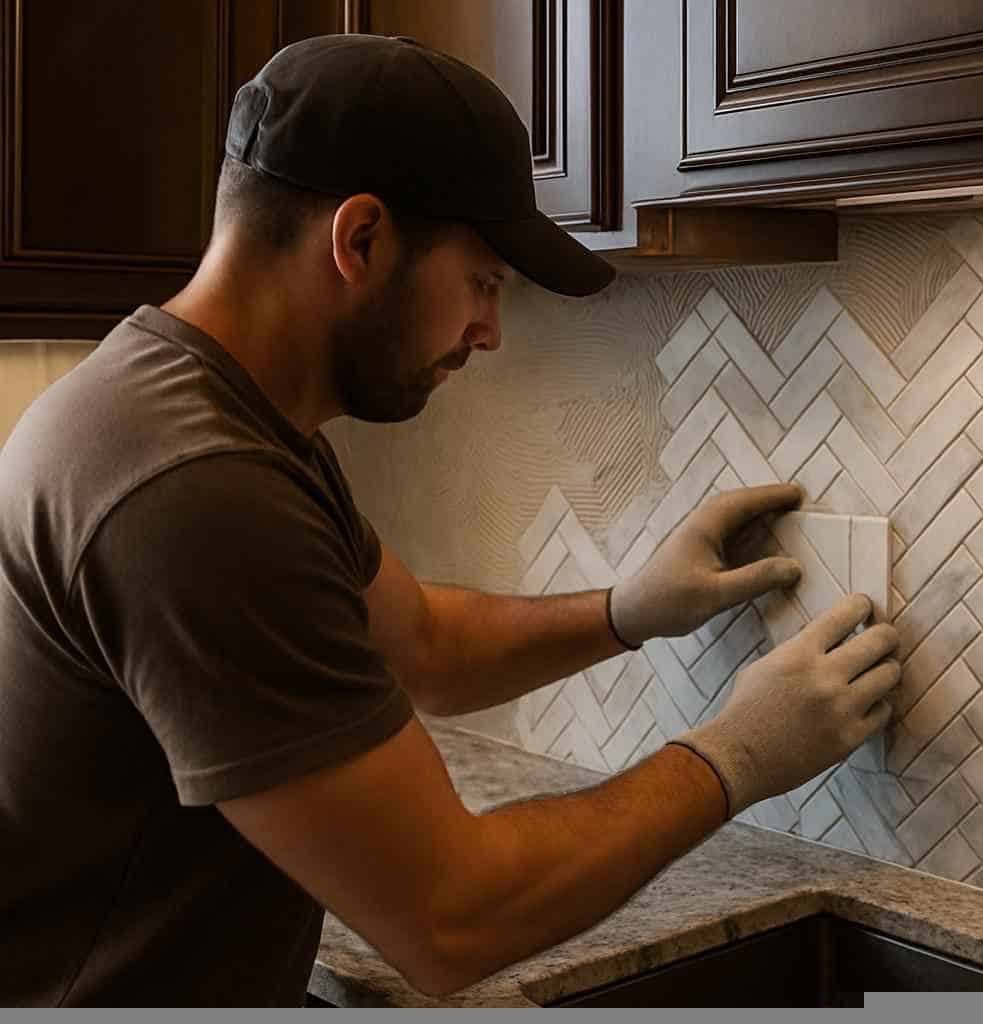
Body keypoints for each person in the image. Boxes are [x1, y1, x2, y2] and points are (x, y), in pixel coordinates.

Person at [0, 34, 900, 1007]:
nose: (489, 330)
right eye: (482, 281)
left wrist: (630, 611)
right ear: (361, 240)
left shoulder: (211, 414)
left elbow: (423, 644)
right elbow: (451, 916)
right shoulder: (195, 486)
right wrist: (739, 753)